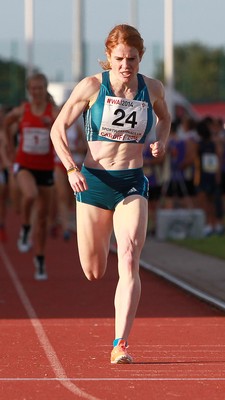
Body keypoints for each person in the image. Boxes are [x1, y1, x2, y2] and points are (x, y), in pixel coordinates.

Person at [50, 24, 171, 363]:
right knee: (93, 270)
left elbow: (166, 119)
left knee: (130, 255)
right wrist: (71, 168)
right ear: (108, 57)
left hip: (132, 181)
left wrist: (162, 139)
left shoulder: (153, 88)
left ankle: (120, 344)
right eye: (119, 59)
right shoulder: (92, 87)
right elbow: (58, 128)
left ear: (140, 57)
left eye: (132, 59)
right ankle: (98, 242)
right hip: (93, 182)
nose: (125, 66)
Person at [4, 73, 59, 279]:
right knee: (30, 195)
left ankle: (40, 259)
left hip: (45, 167)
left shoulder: (53, 112)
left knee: (43, 219)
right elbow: (6, 124)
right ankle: (26, 228)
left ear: (45, 88)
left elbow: (64, 130)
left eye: (39, 88)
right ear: (29, 90)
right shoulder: (22, 111)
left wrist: (52, 126)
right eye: (32, 88)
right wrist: (10, 147)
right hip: (24, 164)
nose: (36, 91)